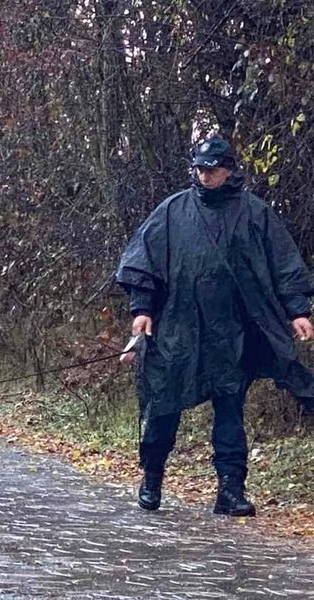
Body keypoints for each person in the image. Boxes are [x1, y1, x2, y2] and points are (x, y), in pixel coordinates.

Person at [116, 135, 314, 517]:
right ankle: (152, 478)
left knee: (229, 408)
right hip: (177, 328)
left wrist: (297, 310)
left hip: (232, 331)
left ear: (228, 170)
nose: (205, 176)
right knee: (162, 405)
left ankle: (230, 489)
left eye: (212, 170)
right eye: (199, 169)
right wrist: (142, 310)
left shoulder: (255, 214)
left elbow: (284, 264)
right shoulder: (173, 211)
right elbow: (144, 264)